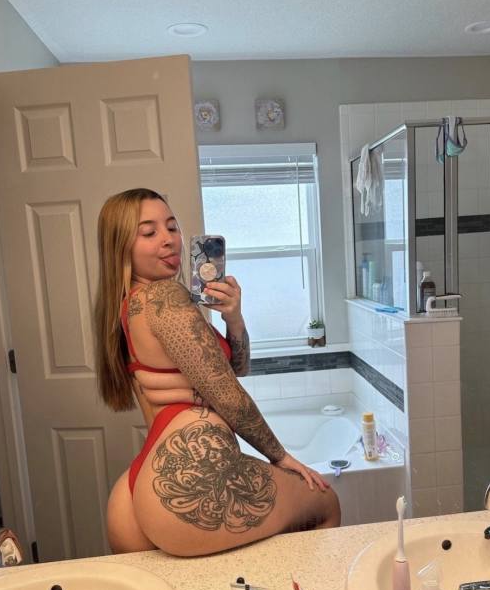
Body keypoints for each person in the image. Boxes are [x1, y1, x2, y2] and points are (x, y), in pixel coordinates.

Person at [95, 188, 340, 556]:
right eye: (149, 232)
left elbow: (237, 367)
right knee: (325, 503)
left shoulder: (129, 305)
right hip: (192, 476)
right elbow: (228, 394)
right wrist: (281, 456)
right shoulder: (164, 297)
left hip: (138, 487)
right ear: (121, 247)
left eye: (172, 227)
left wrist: (233, 318)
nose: (168, 240)